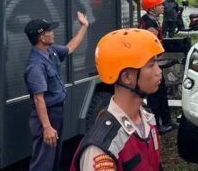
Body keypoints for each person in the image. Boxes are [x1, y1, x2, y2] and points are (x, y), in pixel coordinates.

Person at [70, 28, 165, 170]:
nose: (159, 71)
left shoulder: (147, 117)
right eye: (151, 65)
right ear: (127, 77)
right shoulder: (102, 148)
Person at [24, 12, 90, 171]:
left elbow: (70, 47)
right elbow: (39, 99)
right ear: (41, 37)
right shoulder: (36, 66)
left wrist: (84, 26)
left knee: (53, 159)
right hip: (47, 116)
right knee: (43, 162)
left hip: (56, 113)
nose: (53, 33)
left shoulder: (51, 51)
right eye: (49, 31)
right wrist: (47, 127)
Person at [138, 0, 177, 134]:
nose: (163, 7)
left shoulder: (151, 21)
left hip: (153, 63)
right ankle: (157, 125)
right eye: (160, 5)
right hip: (150, 64)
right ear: (152, 8)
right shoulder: (149, 26)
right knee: (155, 95)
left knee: (161, 93)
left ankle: (166, 122)